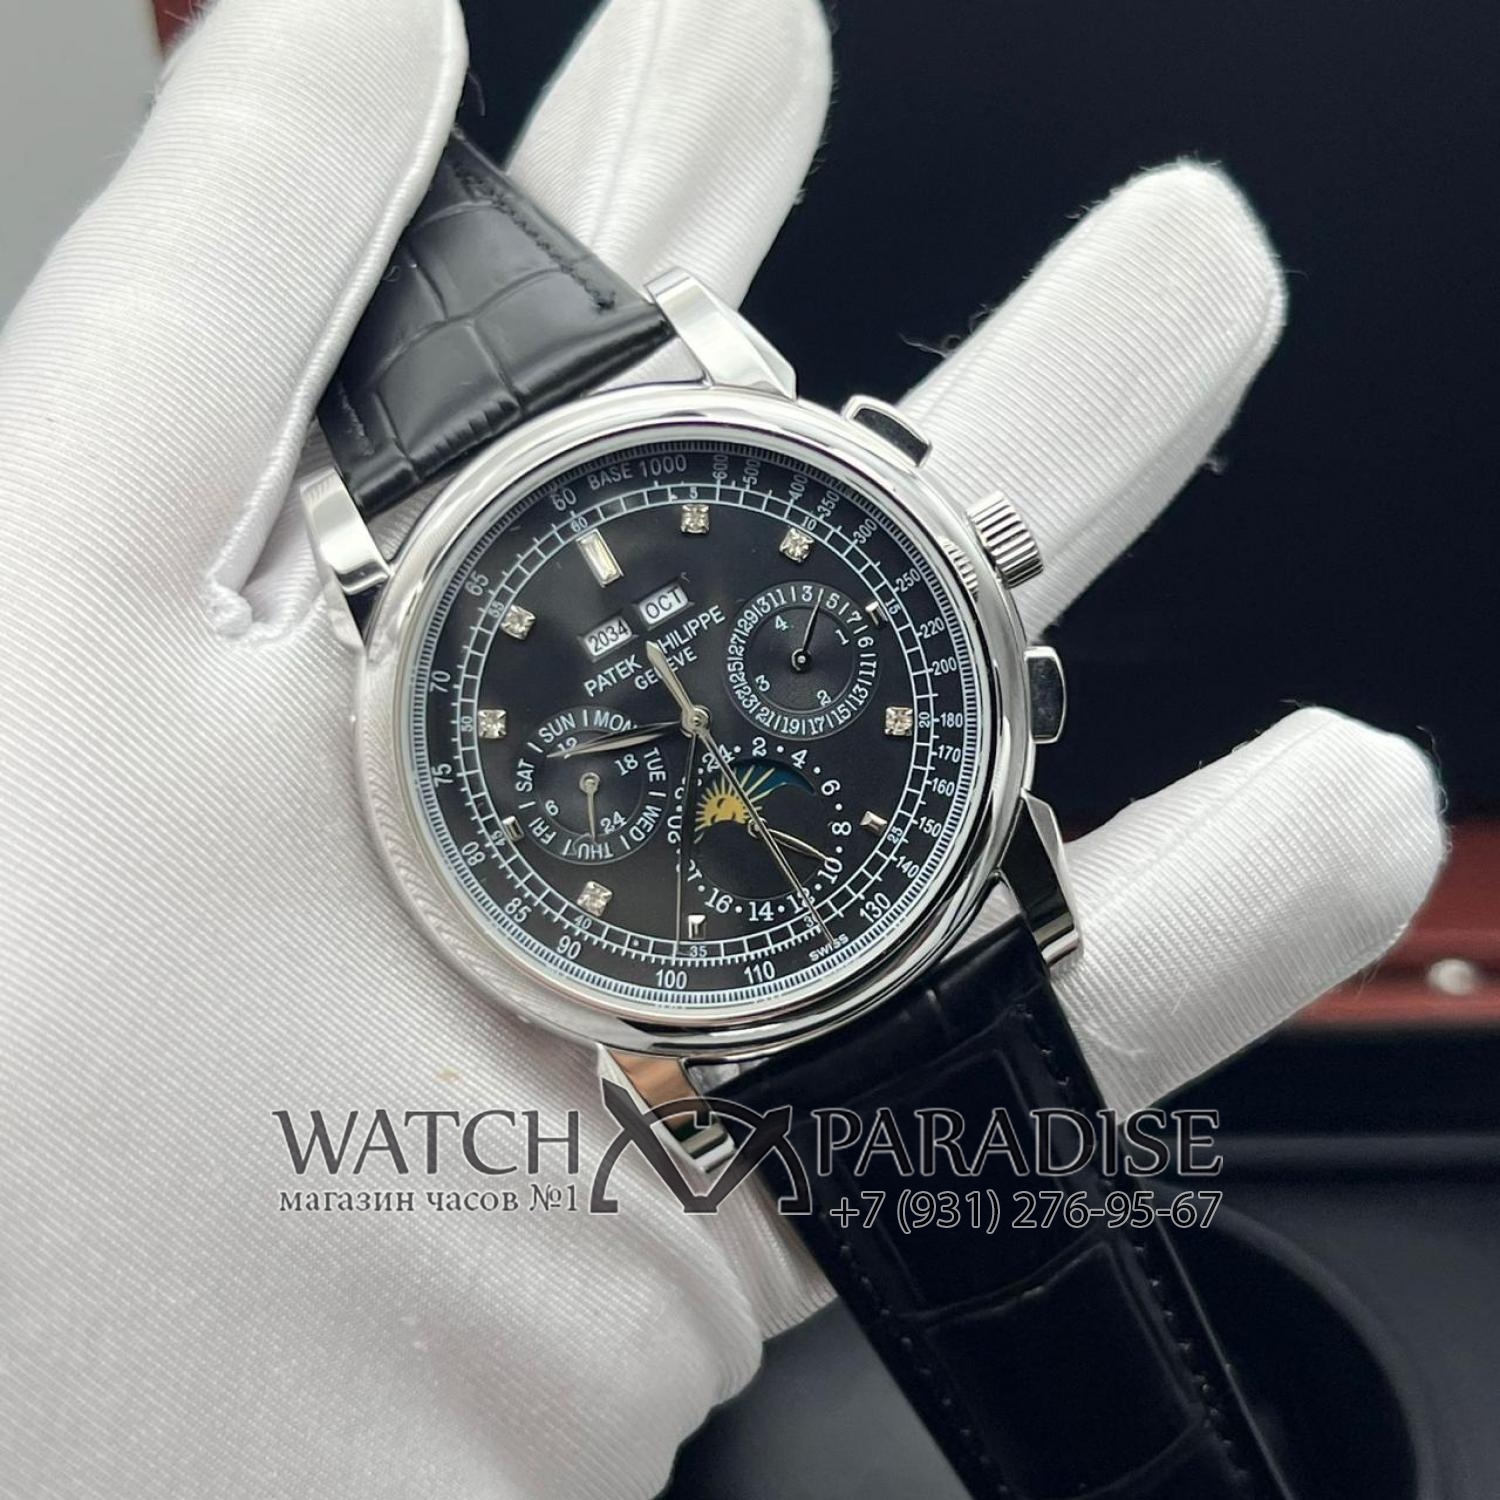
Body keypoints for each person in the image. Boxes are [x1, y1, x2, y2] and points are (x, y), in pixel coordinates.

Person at [0, 0, 1443, 1495]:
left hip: (839, 939)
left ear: (986, 605)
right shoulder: (405, 666)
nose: (693, 722)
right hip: (729, 990)